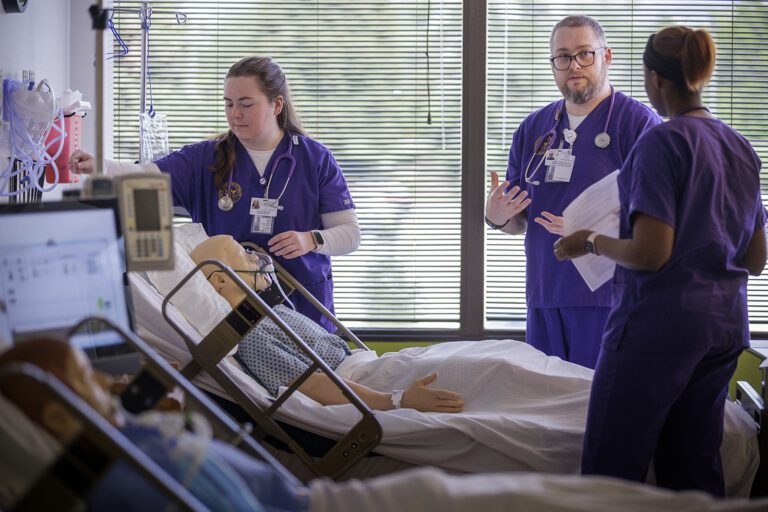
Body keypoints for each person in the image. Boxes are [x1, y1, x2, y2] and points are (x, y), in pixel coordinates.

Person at [4, 339, 767, 512]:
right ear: (56, 415)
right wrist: (395, 402)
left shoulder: (239, 315)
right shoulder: (136, 454)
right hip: (335, 460)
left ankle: (728, 442)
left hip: (355, 375)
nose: (113, 382)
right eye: (91, 383)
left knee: (516, 372)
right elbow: (307, 390)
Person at [553, 26, 766, 496]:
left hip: (658, 330)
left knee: (611, 470)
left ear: (655, 78)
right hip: (724, 330)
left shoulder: (660, 143)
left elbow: (650, 254)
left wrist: (590, 241)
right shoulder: (740, 146)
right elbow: (756, 259)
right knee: (693, 471)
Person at [68, 56, 359, 333]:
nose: (235, 114)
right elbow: (149, 173)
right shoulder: (206, 158)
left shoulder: (314, 159)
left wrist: (311, 240)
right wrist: (100, 166)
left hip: (304, 307)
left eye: (246, 104)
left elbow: (350, 234)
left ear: (277, 104)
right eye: (228, 103)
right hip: (232, 312)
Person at [484, 15, 662, 369]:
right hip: (546, 294)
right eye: (563, 57)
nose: (574, 65)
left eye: (584, 54)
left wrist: (590, 229)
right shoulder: (533, 129)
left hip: (610, 298)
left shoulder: (639, 125)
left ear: (606, 56)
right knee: (547, 397)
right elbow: (521, 222)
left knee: (598, 398)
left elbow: (658, 224)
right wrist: (496, 217)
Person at [190, 233, 465, 413]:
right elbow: (311, 385)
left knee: (476, 359)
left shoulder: (270, 312)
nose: (256, 258)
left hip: (373, 368)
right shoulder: (251, 337)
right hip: (369, 384)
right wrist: (398, 400)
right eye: (244, 255)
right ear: (221, 279)